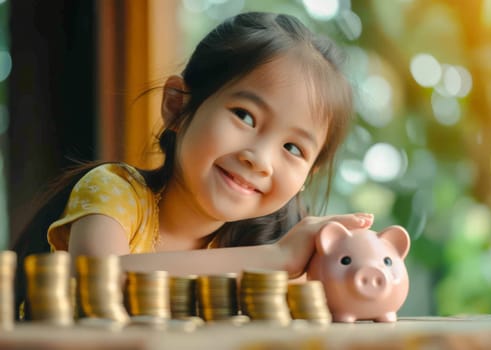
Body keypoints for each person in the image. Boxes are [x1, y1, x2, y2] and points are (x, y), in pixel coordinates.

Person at [12, 11, 373, 318]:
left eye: (293, 147)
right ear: (177, 106)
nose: (259, 159)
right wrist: (275, 258)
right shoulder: (114, 191)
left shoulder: (272, 247)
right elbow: (99, 280)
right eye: (245, 116)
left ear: (307, 177)